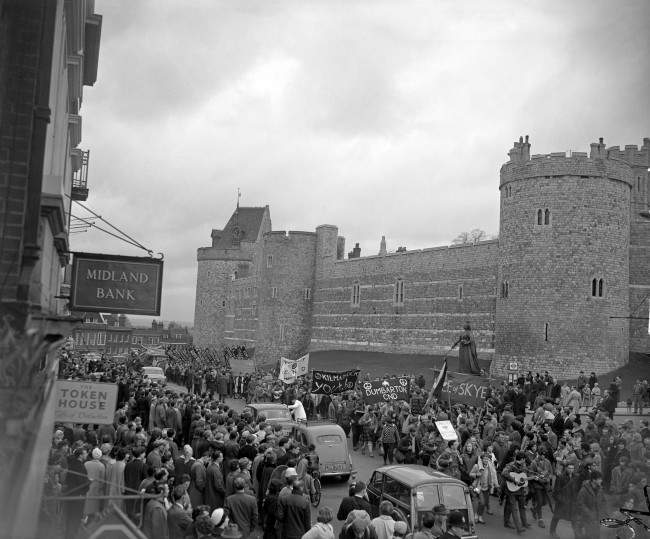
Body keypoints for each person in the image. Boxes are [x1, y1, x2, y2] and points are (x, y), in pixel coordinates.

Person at [501, 451, 531, 534]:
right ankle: (519, 528)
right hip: (511, 490)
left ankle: (523, 523)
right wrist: (514, 480)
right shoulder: (511, 465)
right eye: (524, 459)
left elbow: (524, 477)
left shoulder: (523, 466)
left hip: (520, 489)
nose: (525, 461)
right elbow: (504, 473)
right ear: (522, 459)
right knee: (513, 508)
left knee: (520, 507)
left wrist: (532, 477)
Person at [575, 470, 607, 539]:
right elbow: (580, 504)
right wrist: (589, 513)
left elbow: (604, 501)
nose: (601, 481)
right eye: (599, 479)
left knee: (597, 535)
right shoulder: (584, 490)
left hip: (597, 518)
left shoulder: (600, 489)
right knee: (589, 536)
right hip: (587, 519)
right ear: (593, 480)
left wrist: (602, 512)